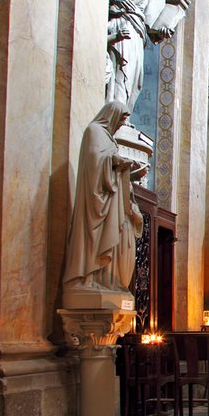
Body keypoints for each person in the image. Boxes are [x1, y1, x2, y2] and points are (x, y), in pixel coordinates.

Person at [64, 101, 143, 293]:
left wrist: (120, 164)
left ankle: (102, 280)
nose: (120, 125)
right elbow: (94, 161)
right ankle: (86, 278)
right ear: (112, 115)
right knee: (92, 240)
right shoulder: (94, 131)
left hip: (108, 198)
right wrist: (116, 160)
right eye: (121, 121)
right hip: (96, 198)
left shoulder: (108, 139)